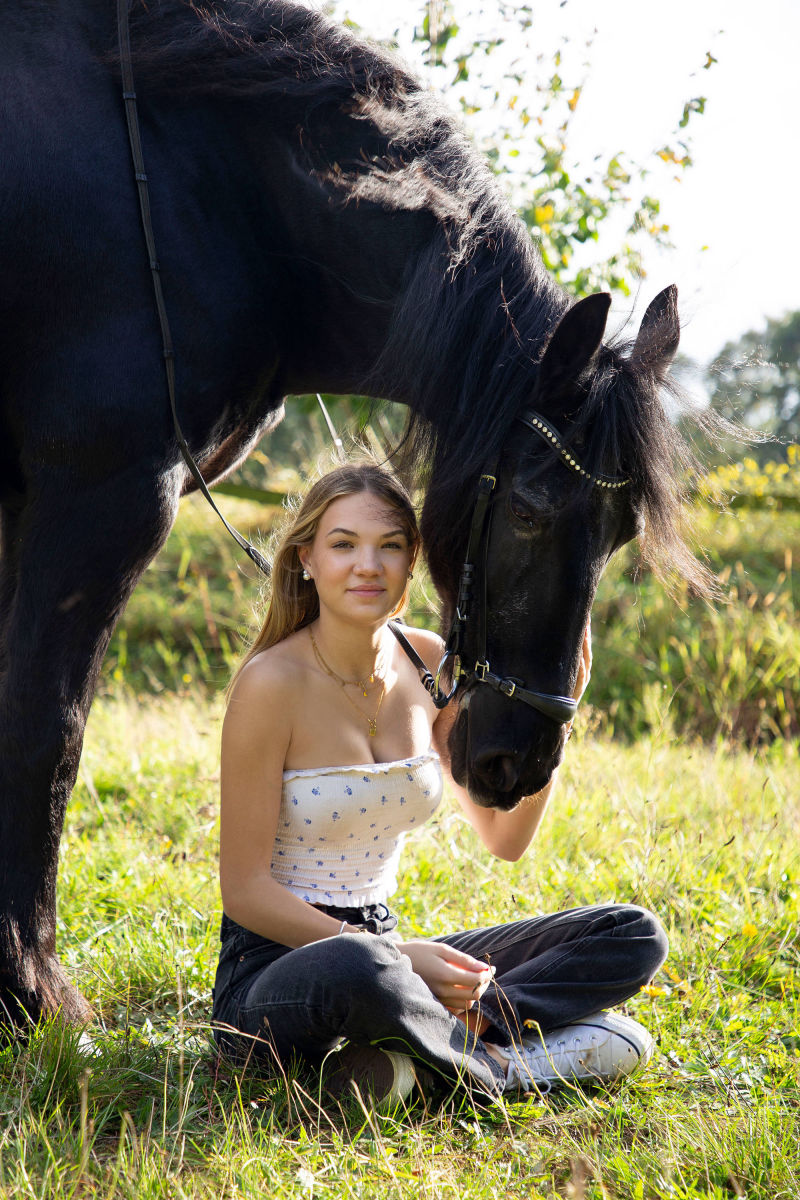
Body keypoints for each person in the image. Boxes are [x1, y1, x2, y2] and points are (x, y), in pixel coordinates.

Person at [211, 460, 668, 1106]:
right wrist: (396, 958)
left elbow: (502, 836)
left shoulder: (426, 662)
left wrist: (560, 713)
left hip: (391, 950)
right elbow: (245, 891)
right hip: (277, 975)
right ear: (306, 558)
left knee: (632, 933)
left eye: (390, 546)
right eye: (343, 545)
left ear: (410, 563)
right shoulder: (269, 685)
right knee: (362, 967)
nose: (367, 565)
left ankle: (427, 1057)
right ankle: (499, 1071)